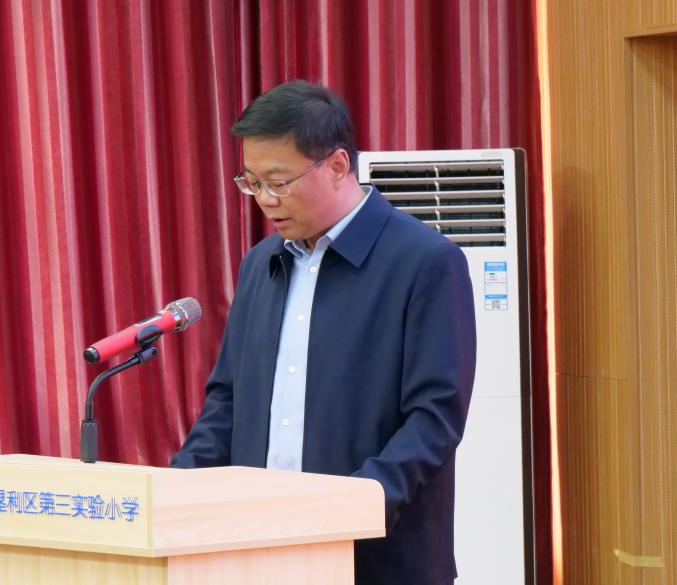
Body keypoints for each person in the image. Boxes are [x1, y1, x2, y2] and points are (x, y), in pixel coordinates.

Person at [170, 80, 476, 585]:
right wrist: (175, 490)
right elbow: (228, 399)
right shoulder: (260, 264)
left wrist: (353, 505)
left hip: (377, 558)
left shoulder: (425, 262)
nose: (265, 200)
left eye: (279, 182)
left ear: (336, 166)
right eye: (252, 183)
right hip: (257, 549)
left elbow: (435, 417)